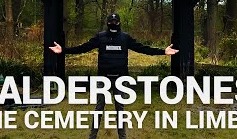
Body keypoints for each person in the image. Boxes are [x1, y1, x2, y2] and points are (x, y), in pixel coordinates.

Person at [49, 13, 179, 139]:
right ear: (107, 23)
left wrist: (163, 51)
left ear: (119, 23)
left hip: (120, 80)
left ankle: (122, 137)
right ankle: (91, 137)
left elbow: (143, 49)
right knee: (99, 109)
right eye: (111, 22)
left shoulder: (125, 38)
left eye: (115, 22)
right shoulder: (100, 37)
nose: (113, 24)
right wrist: (63, 50)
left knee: (120, 111)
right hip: (103, 79)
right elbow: (83, 48)